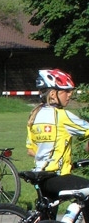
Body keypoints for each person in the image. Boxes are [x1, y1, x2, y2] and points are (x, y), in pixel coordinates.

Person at [26, 69, 89, 215]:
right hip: (57, 176)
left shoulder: (34, 115)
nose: (70, 94)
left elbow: (31, 150)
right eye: (66, 91)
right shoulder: (62, 116)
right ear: (53, 94)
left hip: (41, 176)